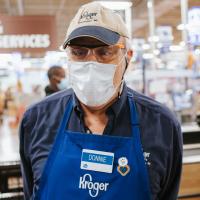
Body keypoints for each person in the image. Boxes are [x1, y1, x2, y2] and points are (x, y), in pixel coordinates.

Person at [19, 2, 182, 200]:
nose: (91, 63)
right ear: (68, 56)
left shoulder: (161, 124)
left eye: (104, 52)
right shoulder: (37, 120)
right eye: (79, 52)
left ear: (127, 57)